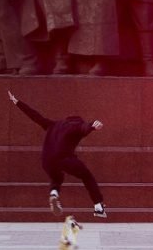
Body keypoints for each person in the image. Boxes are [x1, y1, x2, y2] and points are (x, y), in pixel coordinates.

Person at [8, 90, 107, 218]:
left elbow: (36, 117)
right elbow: (84, 128)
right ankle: (98, 207)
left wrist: (17, 102)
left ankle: (54, 193)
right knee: (87, 176)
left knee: (57, 178)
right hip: (64, 158)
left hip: (46, 160)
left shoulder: (53, 125)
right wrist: (93, 125)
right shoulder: (76, 126)